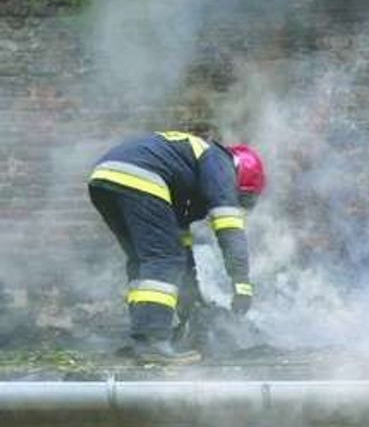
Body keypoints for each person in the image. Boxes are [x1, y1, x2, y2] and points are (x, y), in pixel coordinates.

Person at [87, 131, 266, 363]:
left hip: (105, 178)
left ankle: (143, 340)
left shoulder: (184, 175)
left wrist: (191, 300)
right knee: (163, 259)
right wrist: (241, 283)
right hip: (141, 176)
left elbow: (181, 248)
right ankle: (153, 341)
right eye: (241, 198)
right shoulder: (222, 165)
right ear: (240, 178)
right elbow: (229, 227)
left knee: (144, 260)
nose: (237, 204)